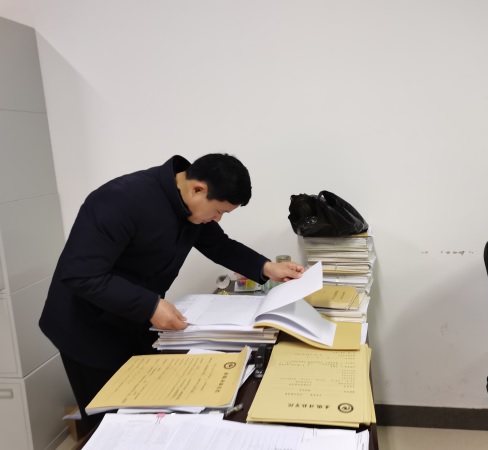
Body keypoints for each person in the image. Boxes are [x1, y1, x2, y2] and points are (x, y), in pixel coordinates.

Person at [39, 154, 304, 430]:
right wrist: (151, 305)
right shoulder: (119, 200)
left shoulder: (188, 206)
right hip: (87, 326)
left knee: (146, 409)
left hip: (135, 317)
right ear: (198, 189)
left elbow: (219, 246)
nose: (217, 219)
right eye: (219, 211)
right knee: (109, 421)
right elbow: (80, 274)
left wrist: (267, 267)